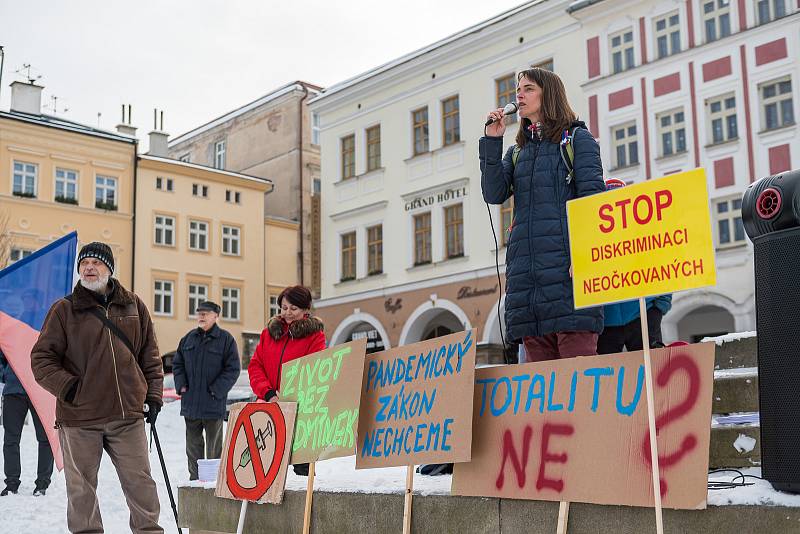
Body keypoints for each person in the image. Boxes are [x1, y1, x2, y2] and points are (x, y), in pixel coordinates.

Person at [31, 242, 164, 534]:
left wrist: (153, 396)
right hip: (80, 419)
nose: (89, 268)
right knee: (81, 492)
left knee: (141, 484)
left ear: (110, 269)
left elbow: (150, 356)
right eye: (85, 263)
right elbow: (41, 359)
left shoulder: (134, 305)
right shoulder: (63, 310)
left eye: (97, 262)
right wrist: (69, 389)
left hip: (127, 416)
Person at [481, 67, 606, 362]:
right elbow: (493, 193)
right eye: (517, 91)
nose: (519, 96)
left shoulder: (577, 139)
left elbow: (592, 201)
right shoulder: (516, 152)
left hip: (568, 277)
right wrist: (492, 141)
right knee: (544, 392)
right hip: (528, 285)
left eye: (528, 89)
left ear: (547, 94)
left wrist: (585, 256)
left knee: (579, 381)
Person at [248, 285, 325, 476]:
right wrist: (269, 393)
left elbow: (314, 371)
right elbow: (255, 366)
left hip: (302, 413)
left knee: (302, 474)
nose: (287, 313)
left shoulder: (315, 336)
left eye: (293, 308)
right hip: (271, 408)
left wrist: (290, 397)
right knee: (267, 469)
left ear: (306, 309)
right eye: (284, 308)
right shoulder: (269, 334)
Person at [596, 179, 672, 353]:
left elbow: (664, 267)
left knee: (651, 373)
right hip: (606, 323)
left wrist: (658, 307)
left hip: (642, 315)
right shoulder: (595, 243)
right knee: (611, 378)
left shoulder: (642, 235)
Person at [172, 300, 240, 481]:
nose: (201, 316)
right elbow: (177, 364)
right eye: (199, 312)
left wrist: (216, 390)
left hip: (212, 404)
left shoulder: (226, 340)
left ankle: (213, 481)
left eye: (206, 313)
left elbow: (233, 369)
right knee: (193, 447)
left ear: (216, 316)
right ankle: (195, 480)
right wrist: (182, 385)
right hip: (191, 404)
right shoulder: (188, 339)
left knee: (214, 448)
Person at [1, 349, 54, 496]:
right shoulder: (11, 326)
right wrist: (5, 375)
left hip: (41, 389)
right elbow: (3, 350)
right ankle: (11, 483)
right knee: (10, 439)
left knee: (45, 438)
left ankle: (42, 484)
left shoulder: (49, 326)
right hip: (14, 389)